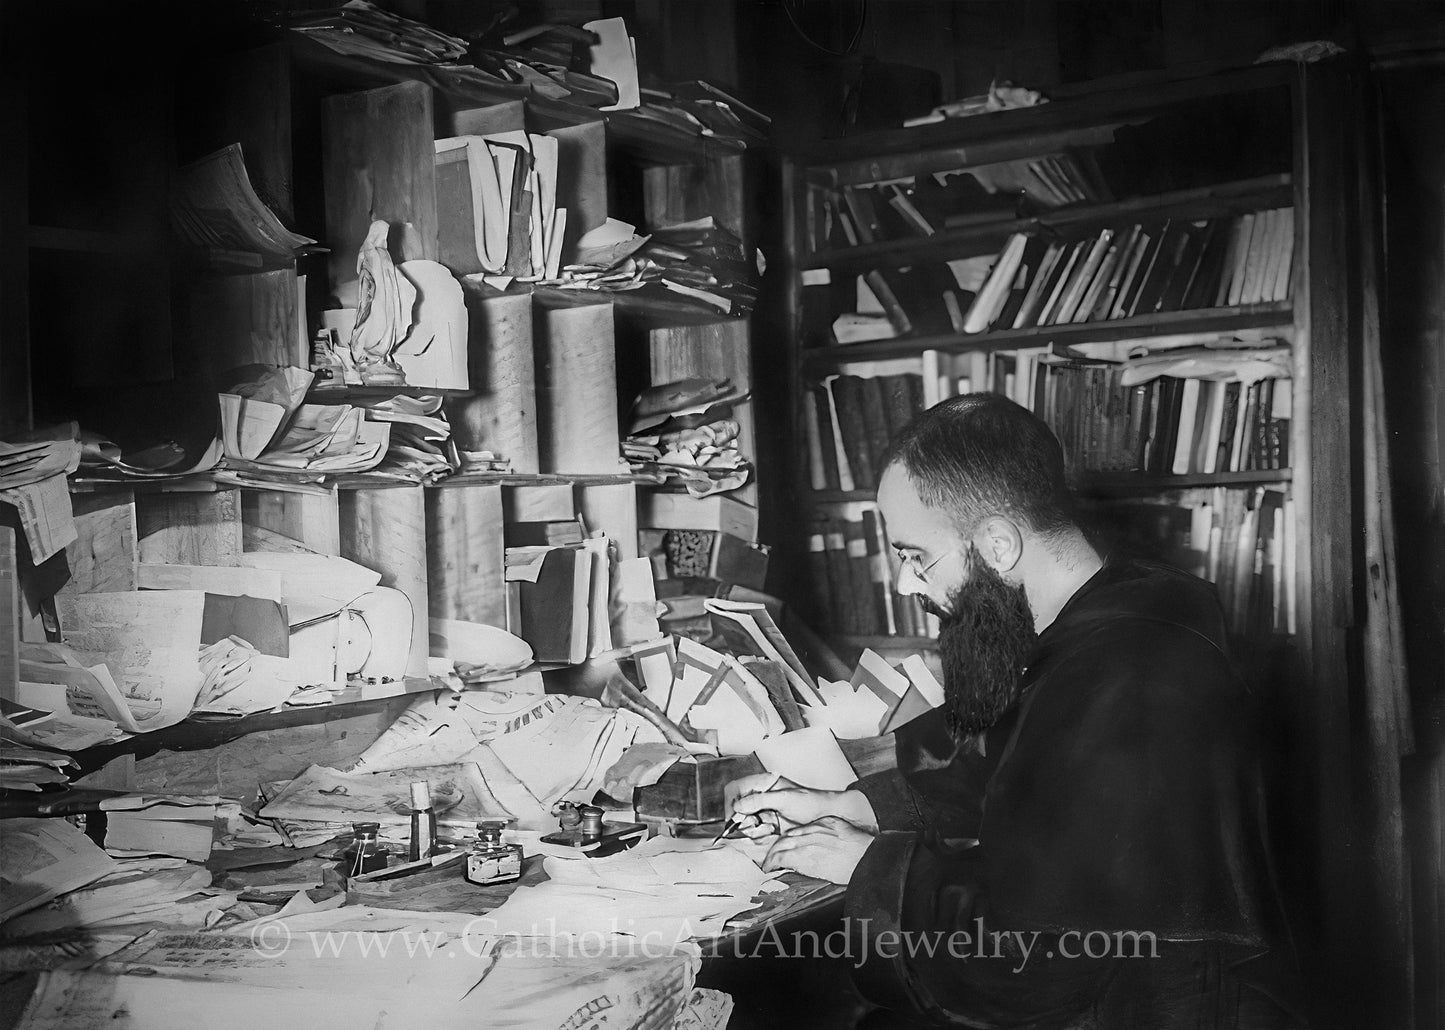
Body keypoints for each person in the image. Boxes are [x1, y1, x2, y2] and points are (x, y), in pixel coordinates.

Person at [731, 393, 1303, 1028]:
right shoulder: (1115, 605)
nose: (905, 585)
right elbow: (1009, 759)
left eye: (915, 556)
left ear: (998, 544)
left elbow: (1024, 962)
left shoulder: (1127, 677)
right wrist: (852, 806)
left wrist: (864, 863)